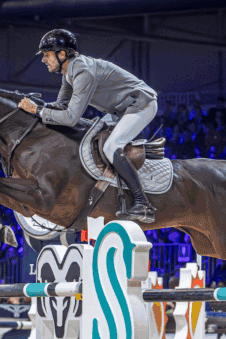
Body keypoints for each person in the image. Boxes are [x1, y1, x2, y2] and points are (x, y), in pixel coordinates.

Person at [18, 29, 158, 223]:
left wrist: (37, 111)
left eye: (47, 54)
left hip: (141, 105)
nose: (43, 59)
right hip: (122, 110)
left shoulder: (83, 72)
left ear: (62, 54)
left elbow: (69, 118)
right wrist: (37, 107)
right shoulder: (69, 73)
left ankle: (143, 204)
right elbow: (60, 105)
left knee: (111, 147)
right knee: (89, 135)